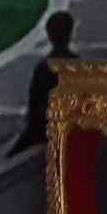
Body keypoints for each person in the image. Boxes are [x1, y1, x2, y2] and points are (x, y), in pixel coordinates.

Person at [15, 10, 77, 154]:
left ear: (49, 36)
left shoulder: (43, 67)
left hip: (46, 126)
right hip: (68, 123)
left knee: (15, 151)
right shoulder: (77, 65)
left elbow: (34, 101)